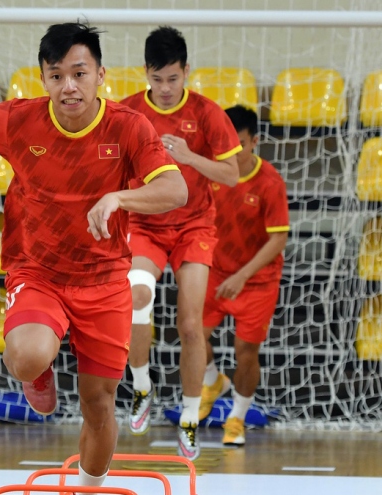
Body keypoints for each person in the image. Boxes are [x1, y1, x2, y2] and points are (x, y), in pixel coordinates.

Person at [0, 22, 187, 493]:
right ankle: (37, 373)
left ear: (101, 75)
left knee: (98, 405)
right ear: (43, 78)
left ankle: (88, 487)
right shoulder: (19, 120)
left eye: (79, 73)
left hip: (104, 281)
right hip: (38, 270)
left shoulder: (127, 126)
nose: (69, 86)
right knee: (25, 357)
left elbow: (175, 189)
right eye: (56, 75)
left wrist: (120, 198)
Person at [119, 26, 241, 460]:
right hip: (146, 224)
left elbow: (232, 175)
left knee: (191, 325)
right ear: (146, 74)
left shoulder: (208, 113)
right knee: (136, 297)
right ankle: (141, 387)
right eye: (158, 79)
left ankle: (189, 417)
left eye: (173, 78)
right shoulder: (129, 111)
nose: (166, 88)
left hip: (194, 229)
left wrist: (189, 157)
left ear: (186, 71)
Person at [198, 105, 289, 447]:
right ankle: (212, 380)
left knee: (244, 350)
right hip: (216, 271)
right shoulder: (212, 173)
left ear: (255, 141)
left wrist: (242, 276)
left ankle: (236, 417)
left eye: (240, 144)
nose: (232, 154)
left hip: (257, 280)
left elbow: (279, 238)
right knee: (192, 333)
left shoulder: (270, 183)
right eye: (226, 145)